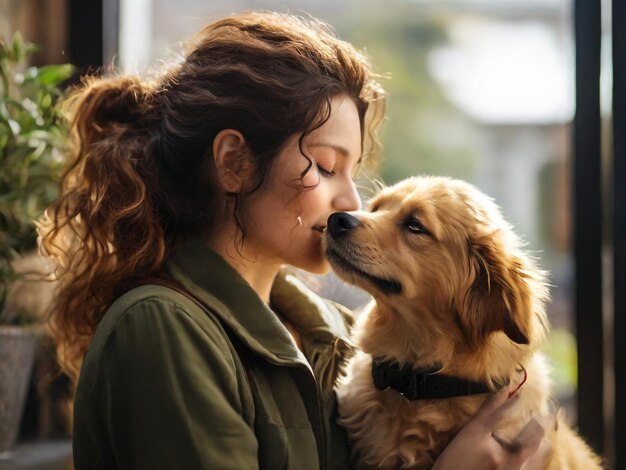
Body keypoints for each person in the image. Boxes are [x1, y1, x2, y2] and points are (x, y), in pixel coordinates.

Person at [38, 11, 550, 469]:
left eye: (353, 173)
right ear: (234, 162)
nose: (351, 203)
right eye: (326, 166)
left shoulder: (340, 335)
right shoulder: (162, 328)